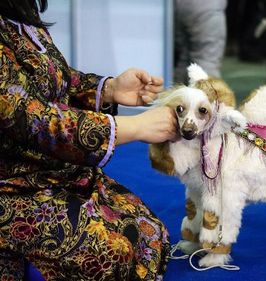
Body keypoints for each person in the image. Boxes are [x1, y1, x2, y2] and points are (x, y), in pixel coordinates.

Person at [0, 0, 177, 280]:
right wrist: (132, 127)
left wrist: (109, 89)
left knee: (148, 232)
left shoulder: (18, 11)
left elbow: (55, 79)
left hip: (46, 172)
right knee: (111, 254)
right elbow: (28, 117)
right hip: (10, 186)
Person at [173, 0, 227, 83]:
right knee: (206, 62)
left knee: (184, 59)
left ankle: (177, 94)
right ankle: (208, 95)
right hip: (206, 7)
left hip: (176, 6)